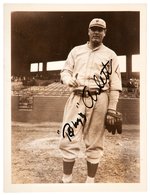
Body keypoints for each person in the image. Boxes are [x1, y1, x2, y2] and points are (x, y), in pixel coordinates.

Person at [59, 18, 122, 183]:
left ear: (104, 33)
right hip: (77, 97)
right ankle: (66, 179)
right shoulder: (76, 51)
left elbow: (115, 85)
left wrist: (111, 110)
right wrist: (67, 79)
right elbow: (65, 70)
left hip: (99, 98)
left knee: (94, 141)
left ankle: (90, 182)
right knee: (68, 136)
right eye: (93, 29)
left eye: (100, 30)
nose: (96, 32)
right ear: (88, 31)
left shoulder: (111, 55)